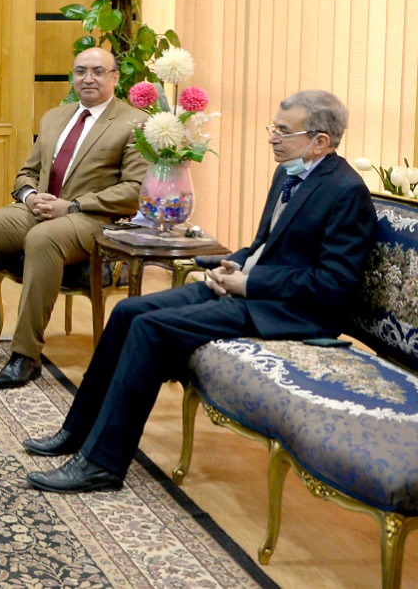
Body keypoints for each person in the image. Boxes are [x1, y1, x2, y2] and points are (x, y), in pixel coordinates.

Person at [23, 90, 376, 493]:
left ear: (320, 141)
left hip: (292, 311)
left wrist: (250, 283)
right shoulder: (288, 173)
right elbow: (267, 245)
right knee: (127, 312)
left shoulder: (346, 191)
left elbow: (333, 283)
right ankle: (77, 430)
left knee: (151, 329)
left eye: (283, 132)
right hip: (250, 288)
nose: (272, 138)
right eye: (273, 128)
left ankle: (102, 464)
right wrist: (231, 265)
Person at [0, 47, 148, 387]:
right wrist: (30, 196)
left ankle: (26, 356)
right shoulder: (55, 117)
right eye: (81, 71)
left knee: (42, 238)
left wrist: (71, 206)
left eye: (98, 71)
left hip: (92, 218)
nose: (88, 78)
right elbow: (26, 173)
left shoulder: (134, 123)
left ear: (115, 77)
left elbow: (134, 190)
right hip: (40, 209)